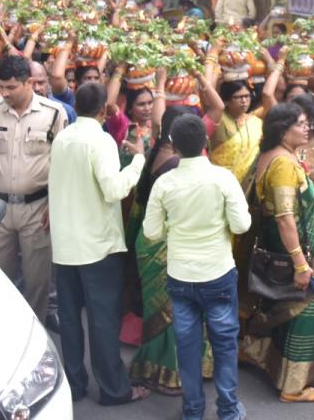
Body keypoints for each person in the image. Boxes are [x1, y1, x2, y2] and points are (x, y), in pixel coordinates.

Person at [142, 114, 252, 420]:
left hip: (180, 276)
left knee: (187, 345)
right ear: (206, 142)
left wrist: (173, 227)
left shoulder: (165, 182)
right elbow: (242, 225)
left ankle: (193, 411)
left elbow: (151, 232)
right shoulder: (223, 178)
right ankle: (228, 410)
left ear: (174, 146)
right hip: (217, 272)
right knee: (225, 343)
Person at [49, 82, 150, 406]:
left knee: (70, 319)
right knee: (103, 320)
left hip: (66, 243)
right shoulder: (101, 140)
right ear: (105, 110)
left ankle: (75, 383)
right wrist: (137, 163)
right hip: (96, 245)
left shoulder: (63, 137)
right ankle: (113, 388)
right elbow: (113, 189)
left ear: (76, 106)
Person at [0, 55, 68, 320]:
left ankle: (35, 333)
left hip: (37, 209)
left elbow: (62, 165)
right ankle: (3, 327)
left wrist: (54, 205)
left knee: (37, 281)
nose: (5, 93)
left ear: (29, 83)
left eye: (11, 87)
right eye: (2, 87)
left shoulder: (54, 114)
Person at [242, 103, 314, 403]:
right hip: (296, 253)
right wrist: (300, 263)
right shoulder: (282, 164)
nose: (308, 129)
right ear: (282, 129)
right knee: (302, 310)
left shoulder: (275, 156)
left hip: (284, 248)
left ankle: (270, 363)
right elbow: (284, 217)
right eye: (302, 124)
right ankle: (293, 387)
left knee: (280, 306)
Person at [129, 106, 215, 395]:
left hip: (150, 241)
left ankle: (155, 368)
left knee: (164, 310)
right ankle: (172, 373)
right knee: (177, 311)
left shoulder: (157, 151)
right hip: (169, 244)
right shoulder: (177, 165)